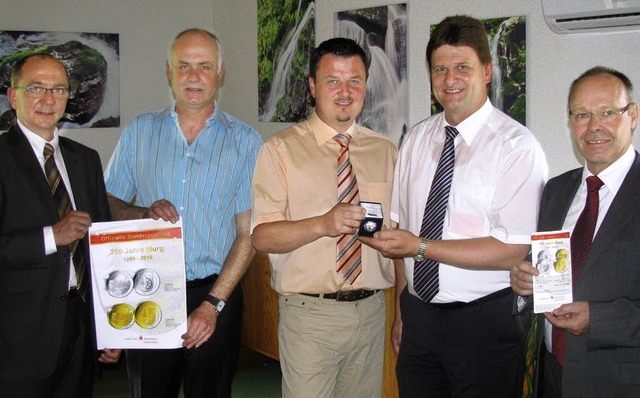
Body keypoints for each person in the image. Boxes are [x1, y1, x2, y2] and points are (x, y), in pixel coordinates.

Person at [360, 15, 548, 397]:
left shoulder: (516, 147)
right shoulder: (415, 138)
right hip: (419, 320)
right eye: (440, 69)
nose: (450, 80)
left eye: (462, 67)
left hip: (484, 323)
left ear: (487, 71)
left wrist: (421, 247)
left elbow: (511, 250)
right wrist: (401, 311)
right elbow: (400, 232)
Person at [104, 28, 262, 398]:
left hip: (216, 291)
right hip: (149, 289)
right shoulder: (139, 133)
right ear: (168, 70)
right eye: (184, 66)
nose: (194, 77)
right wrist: (140, 210)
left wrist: (212, 305)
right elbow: (106, 202)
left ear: (220, 72)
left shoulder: (246, 141)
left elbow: (248, 233)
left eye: (204, 66)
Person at [251, 37, 397, 397]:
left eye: (355, 81)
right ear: (314, 87)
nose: (345, 92)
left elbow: (399, 236)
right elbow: (262, 237)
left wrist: (403, 313)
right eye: (333, 81)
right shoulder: (279, 150)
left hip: (373, 311)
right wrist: (323, 224)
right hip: (309, 317)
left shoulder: (385, 150)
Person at [510, 66, 640, 397]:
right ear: (571, 122)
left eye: (608, 112)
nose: (594, 126)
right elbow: (541, 270)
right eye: (582, 114)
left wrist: (599, 319)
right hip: (551, 376)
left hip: (619, 384)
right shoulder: (556, 190)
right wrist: (523, 283)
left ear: (633, 115)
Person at [0, 53, 120, 397]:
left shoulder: (85, 159)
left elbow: (102, 251)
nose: (48, 99)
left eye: (58, 89)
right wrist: (51, 236)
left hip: (80, 330)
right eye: (35, 88)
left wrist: (110, 328)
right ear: (13, 96)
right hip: (18, 338)